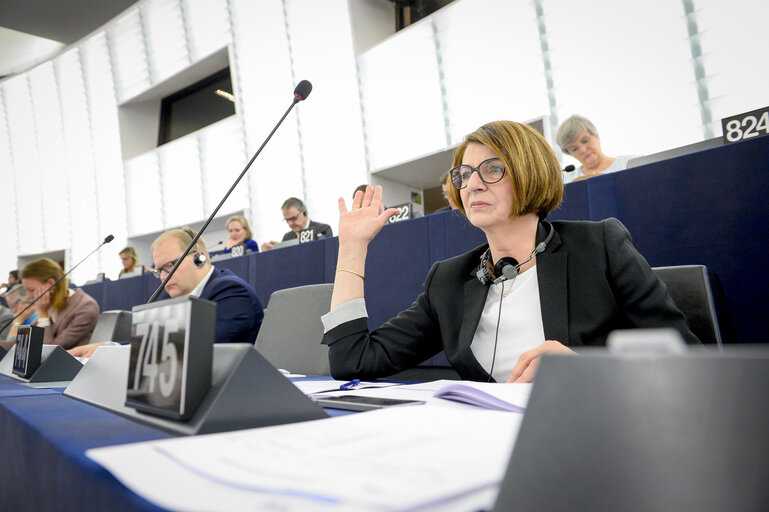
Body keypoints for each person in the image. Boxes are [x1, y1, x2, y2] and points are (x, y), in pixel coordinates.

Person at [321, 120, 698, 383]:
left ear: (530, 171)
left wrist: (589, 371)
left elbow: (689, 360)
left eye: (493, 170)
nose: (472, 185)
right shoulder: (449, 281)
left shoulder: (598, 247)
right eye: (464, 175)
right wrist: (352, 249)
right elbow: (352, 360)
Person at [70, 227, 264, 358]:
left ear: (200, 258)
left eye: (170, 265)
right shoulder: (169, 297)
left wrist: (115, 353)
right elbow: (150, 341)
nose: (163, 277)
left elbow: (194, 350)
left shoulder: (232, 292)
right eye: (158, 270)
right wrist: (107, 349)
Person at [1, 258, 99, 350]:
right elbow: (21, 344)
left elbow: (49, 350)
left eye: (31, 290)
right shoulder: (50, 305)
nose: (28, 296)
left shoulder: (85, 307)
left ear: (50, 284)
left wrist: (43, 314)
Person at [556, 115, 634, 184]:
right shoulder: (566, 182)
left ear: (597, 136)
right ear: (569, 153)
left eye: (585, 141)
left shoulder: (631, 164)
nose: (583, 150)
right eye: (574, 148)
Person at [260, 197, 333, 251]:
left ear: (304, 212)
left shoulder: (323, 230)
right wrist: (277, 248)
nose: (290, 223)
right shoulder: (287, 237)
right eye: (287, 220)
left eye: (293, 218)